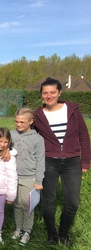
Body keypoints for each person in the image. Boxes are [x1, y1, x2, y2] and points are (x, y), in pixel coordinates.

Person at [34, 77, 90, 246]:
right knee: (48, 201)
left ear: (59, 93)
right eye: (45, 93)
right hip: (49, 161)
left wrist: (85, 162)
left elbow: (84, 136)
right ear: (42, 95)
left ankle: (63, 234)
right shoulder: (37, 115)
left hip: (72, 161)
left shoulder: (72, 110)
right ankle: (52, 235)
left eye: (52, 92)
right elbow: (27, 135)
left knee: (72, 202)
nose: (49, 96)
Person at [10, 108, 45, 246]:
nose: (19, 125)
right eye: (16, 121)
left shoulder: (37, 139)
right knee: (17, 205)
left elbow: (40, 161)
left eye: (22, 122)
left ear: (31, 121)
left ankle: (27, 231)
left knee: (28, 206)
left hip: (29, 177)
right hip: (13, 177)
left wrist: (38, 181)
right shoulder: (11, 134)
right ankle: (18, 228)